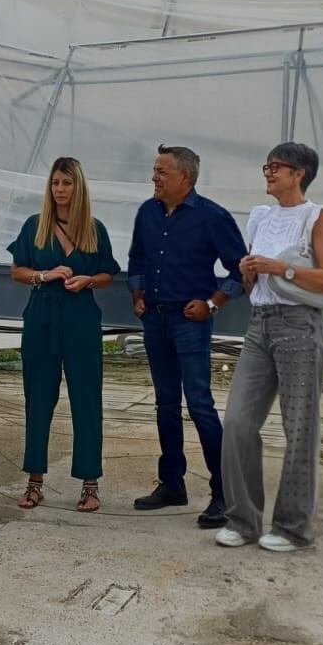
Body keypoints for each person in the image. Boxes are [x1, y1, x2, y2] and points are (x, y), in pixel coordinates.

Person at [216, 142, 323, 552]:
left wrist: (279, 267)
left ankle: (292, 527)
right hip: (260, 325)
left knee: (299, 428)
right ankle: (243, 518)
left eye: (276, 167)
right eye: (266, 166)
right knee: (236, 422)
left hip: (299, 327)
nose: (268, 172)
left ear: (298, 173)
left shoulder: (316, 217)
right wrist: (249, 272)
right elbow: (255, 285)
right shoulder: (261, 217)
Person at [128, 144, 246, 527]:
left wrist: (212, 305)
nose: (154, 178)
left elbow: (240, 270)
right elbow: (137, 258)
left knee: (199, 405)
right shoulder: (147, 212)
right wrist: (138, 291)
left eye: (162, 172)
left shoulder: (212, 217)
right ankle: (172, 484)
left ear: (185, 178)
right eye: (154, 170)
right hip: (156, 320)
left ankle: (224, 493)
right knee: (165, 404)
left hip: (190, 321)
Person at [8, 157, 120, 511]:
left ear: (78, 187)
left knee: (87, 400)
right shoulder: (34, 226)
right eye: (55, 183)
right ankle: (34, 481)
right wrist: (44, 275)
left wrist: (88, 280)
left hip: (81, 318)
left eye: (67, 183)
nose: (60, 190)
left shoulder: (94, 229)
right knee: (38, 399)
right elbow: (17, 271)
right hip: (41, 317)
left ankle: (90, 484)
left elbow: (107, 274)